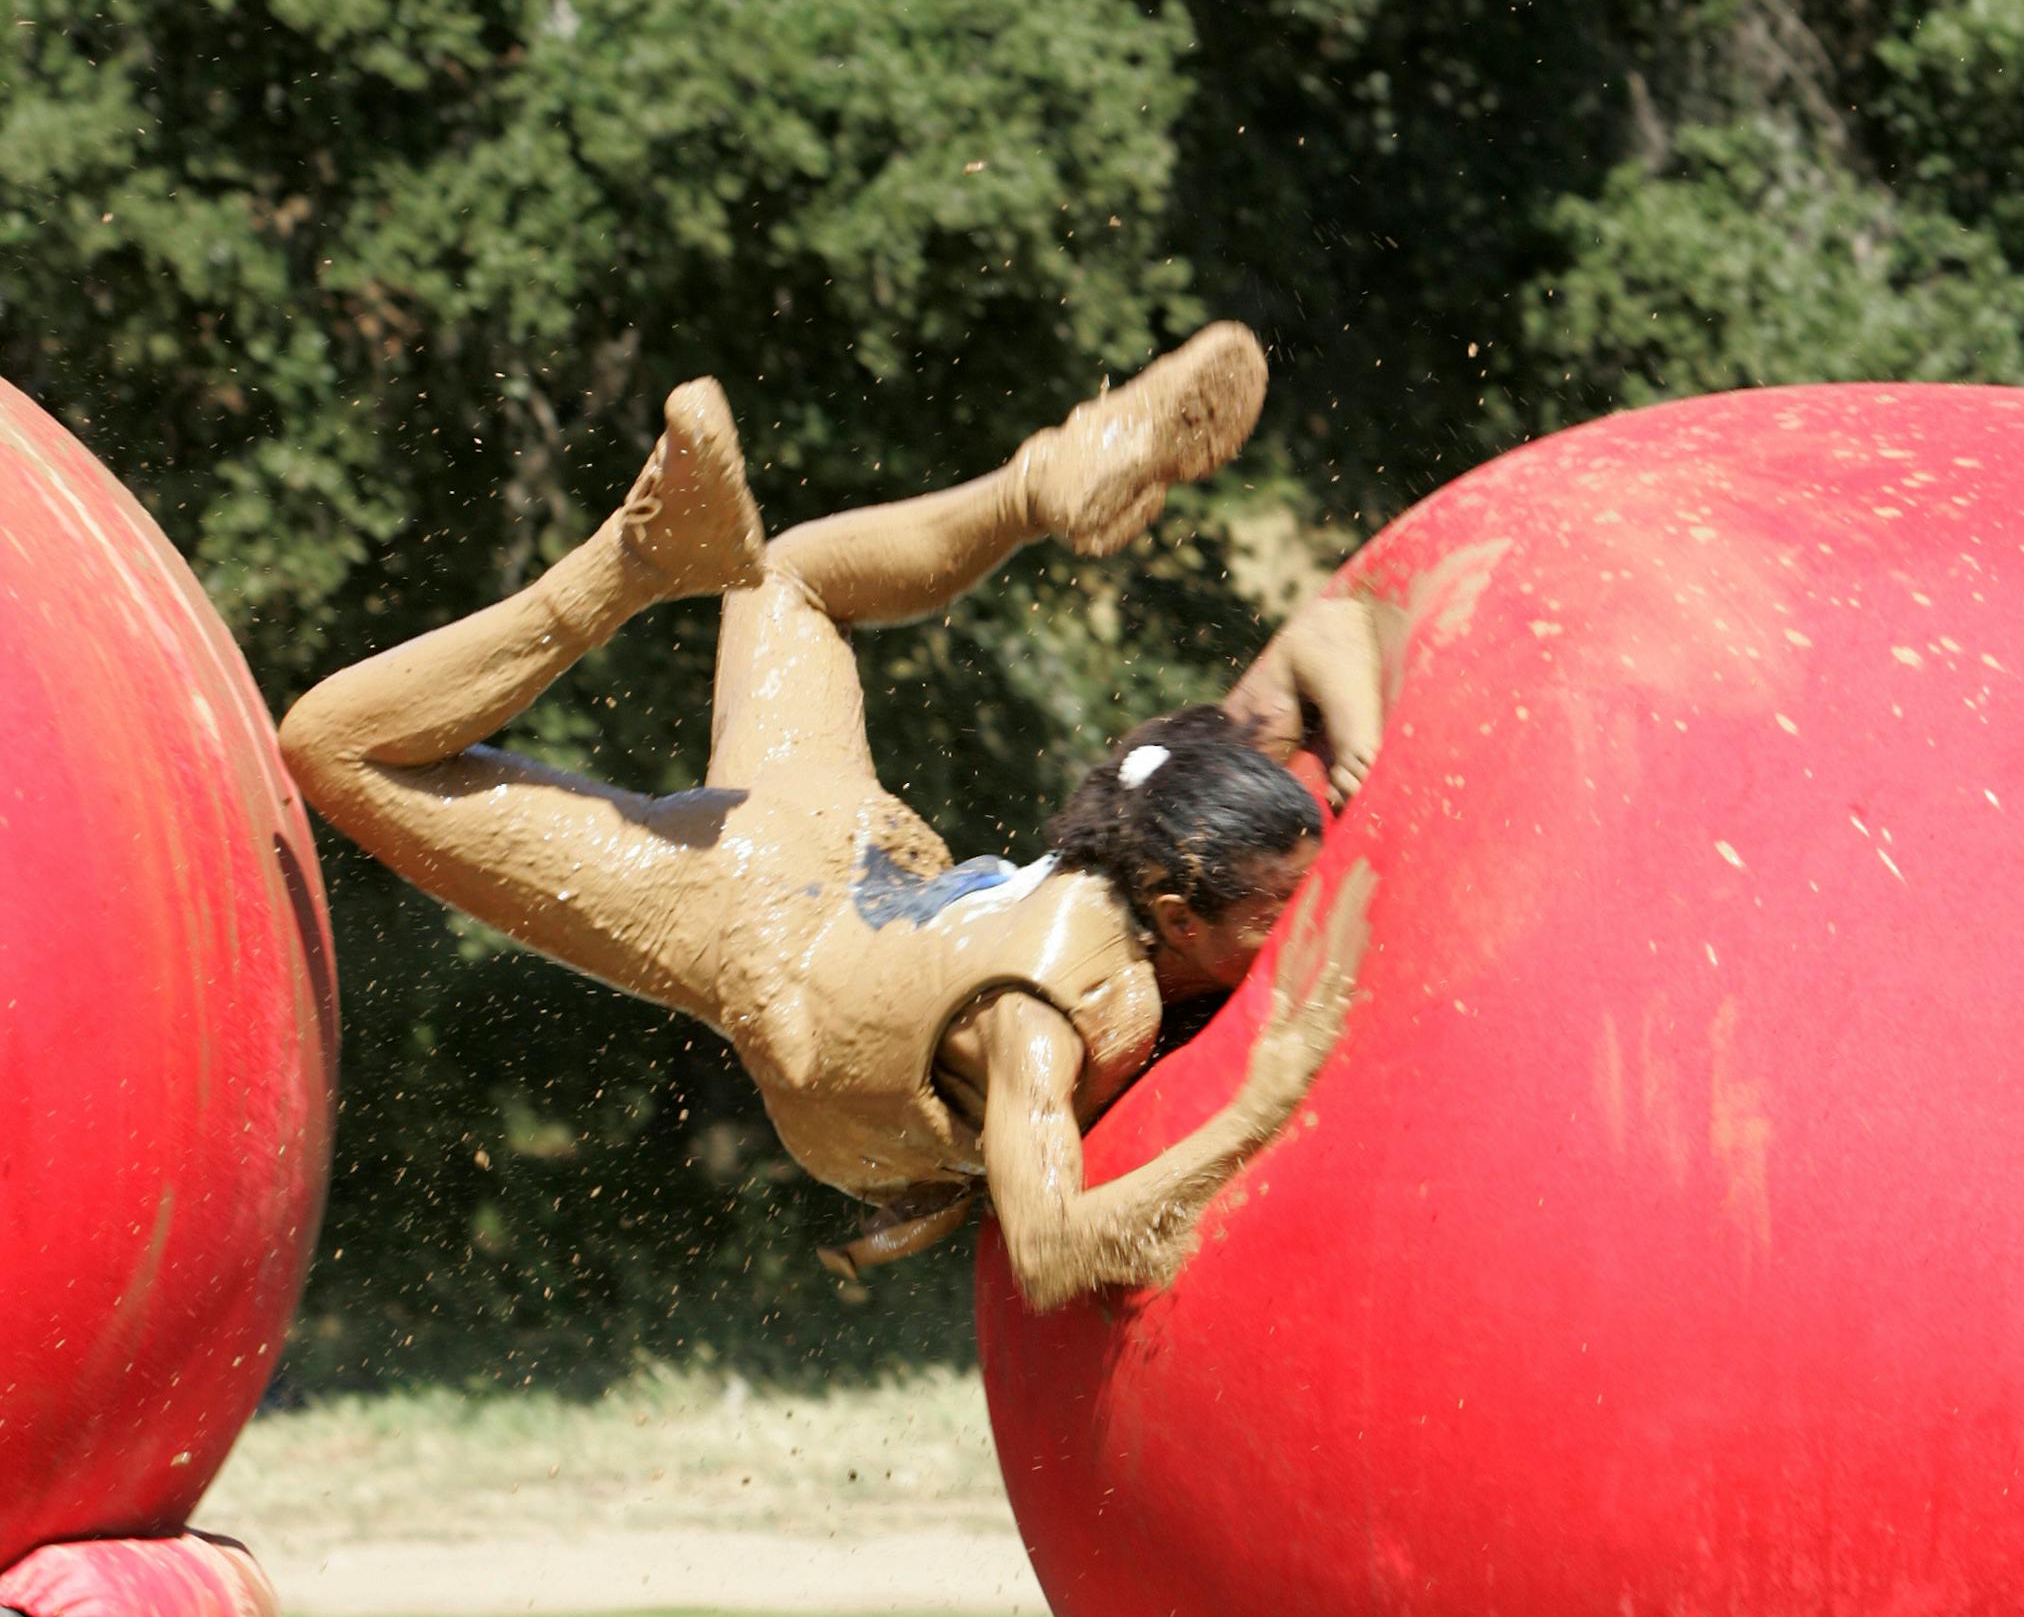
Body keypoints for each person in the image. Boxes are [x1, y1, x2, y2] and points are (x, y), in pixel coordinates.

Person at [280, 324, 1382, 1310]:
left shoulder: (1169, 821)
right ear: (1181, 918)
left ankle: (1037, 487)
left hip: (855, 846)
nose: (1297, 917)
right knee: (335, 749)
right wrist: (1261, 1108)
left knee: (791, 578)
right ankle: (628, 565)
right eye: (1276, 913)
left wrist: (1341, 671)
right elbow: (1050, 1256)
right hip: (755, 919)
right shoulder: (1055, 1011)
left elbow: (1263, 712)